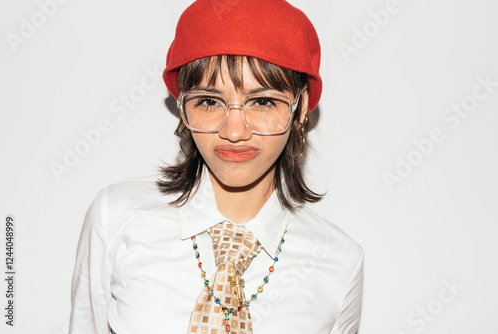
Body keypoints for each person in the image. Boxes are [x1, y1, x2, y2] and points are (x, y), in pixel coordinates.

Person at [68, 0, 364, 333]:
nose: (234, 132)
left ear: (301, 107)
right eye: (209, 101)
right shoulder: (116, 217)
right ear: (183, 108)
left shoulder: (339, 261)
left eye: (263, 101)